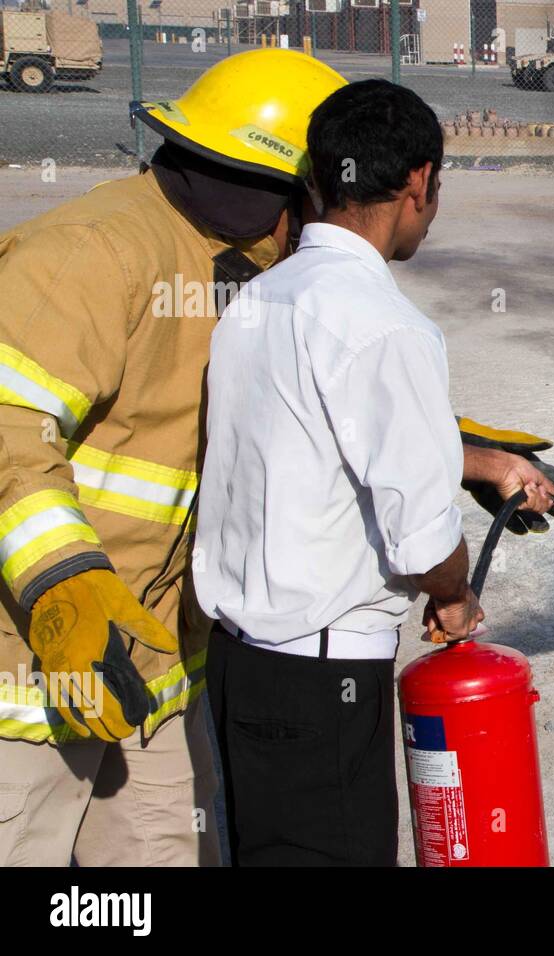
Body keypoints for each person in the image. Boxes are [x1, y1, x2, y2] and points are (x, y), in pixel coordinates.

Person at [195, 79, 554, 866]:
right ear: (418, 184)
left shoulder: (258, 301)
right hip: (322, 682)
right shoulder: (389, 326)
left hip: (237, 669)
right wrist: (455, 596)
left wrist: (485, 461)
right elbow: (421, 535)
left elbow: (316, 442)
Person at [0, 49, 349, 866]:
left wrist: (444, 446)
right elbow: (9, 431)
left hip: (151, 679)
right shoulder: (93, 252)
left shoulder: (244, 269)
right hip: (26, 682)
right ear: (288, 192)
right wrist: (66, 585)